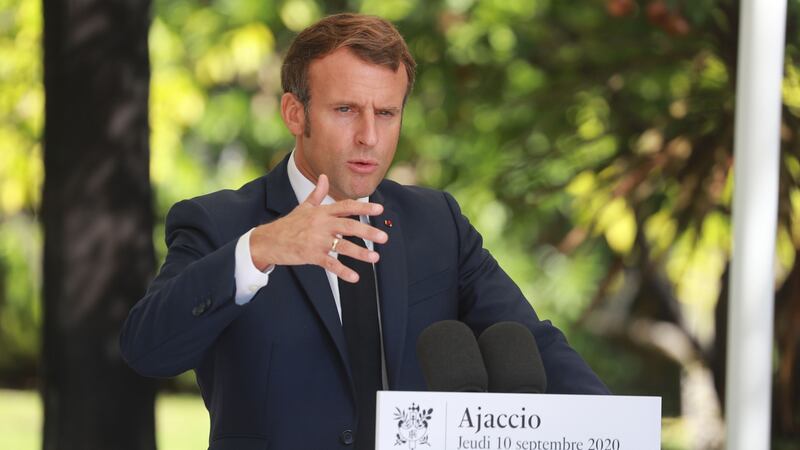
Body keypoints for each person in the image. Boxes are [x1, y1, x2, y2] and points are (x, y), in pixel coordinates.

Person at [120, 13, 608, 450]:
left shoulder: (438, 223)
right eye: (346, 110)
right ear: (295, 113)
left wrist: (617, 427)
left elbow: (532, 343)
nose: (369, 137)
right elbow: (147, 349)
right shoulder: (219, 223)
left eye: (387, 113)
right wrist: (261, 248)